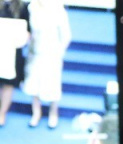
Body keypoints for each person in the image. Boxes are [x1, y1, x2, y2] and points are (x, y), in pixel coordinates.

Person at [22, 0, 71, 129]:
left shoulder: (58, 9)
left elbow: (66, 35)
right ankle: (36, 113)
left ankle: (53, 113)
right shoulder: (32, 7)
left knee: (53, 83)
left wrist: (59, 52)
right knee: (34, 82)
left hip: (52, 53)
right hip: (34, 52)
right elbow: (28, 29)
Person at [0, 0, 29, 127]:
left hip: (13, 53)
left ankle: (2, 113)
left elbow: (28, 31)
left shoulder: (22, 7)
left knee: (8, 84)